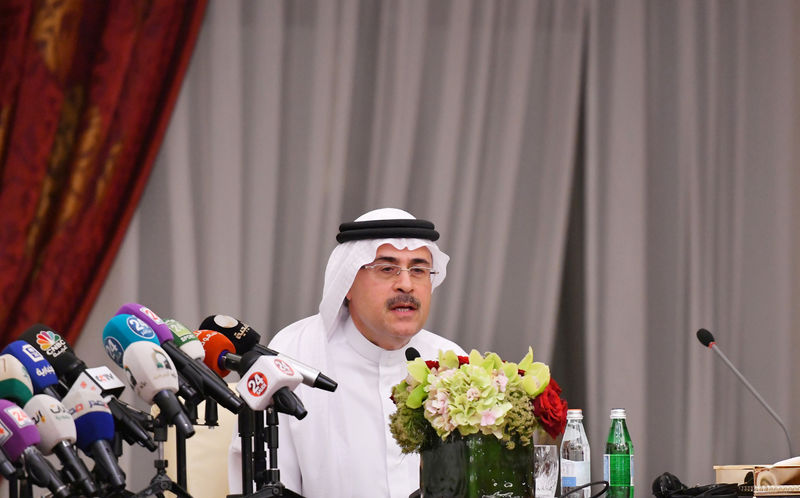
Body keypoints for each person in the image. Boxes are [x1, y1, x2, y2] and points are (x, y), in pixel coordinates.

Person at [228, 207, 466, 498]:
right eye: (387, 268)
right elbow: (266, 485)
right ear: (348, 283)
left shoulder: (451, 360)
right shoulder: (293, 353)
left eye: (418, 270)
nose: (406, 284)